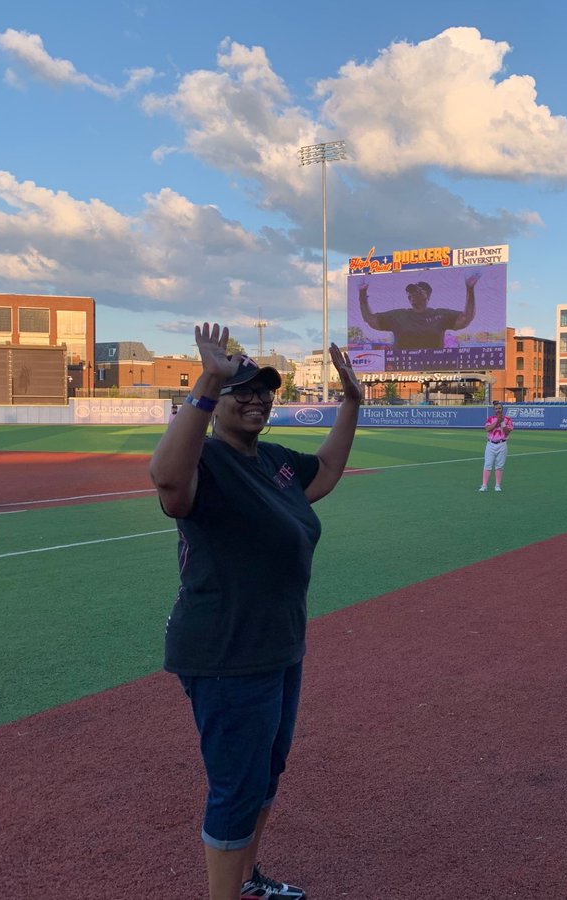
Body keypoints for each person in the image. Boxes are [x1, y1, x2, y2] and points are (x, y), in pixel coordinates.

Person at [149, 322, 362, 900]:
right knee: (236, 787)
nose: (256, 398)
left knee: (266, 774)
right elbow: (168, 481)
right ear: (219, 401)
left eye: (264, 390)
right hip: (226, 651)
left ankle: (245, 881)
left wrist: (352, 402)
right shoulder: (209, 460)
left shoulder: (275, 462)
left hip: (277, 645)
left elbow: (329, 472)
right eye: (242, 389)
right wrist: (206, 383)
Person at [358, 273, 479, 349]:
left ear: (428, 295)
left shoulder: (440, 315)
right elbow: (370, 320)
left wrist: (470, 289)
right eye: (410, 292)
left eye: (418, 291)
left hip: (435, 366)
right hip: (400, 367)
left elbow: (465, 319)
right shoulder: (399, 315)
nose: (413, 294)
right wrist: (362, 294)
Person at [479, 400, 513, 492]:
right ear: (494, 410)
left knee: (499, 466)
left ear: (502, 409)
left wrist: (502, 422)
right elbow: (487, 429)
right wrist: (497, 421)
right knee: (487, 464)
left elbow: (507, 431)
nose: (498, 410)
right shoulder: (490, 419)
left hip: (502, 444)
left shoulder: (508, 419)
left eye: (499, 408)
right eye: (496, 409)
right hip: (490, 444)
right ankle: (484, 485)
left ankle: (497, 485)